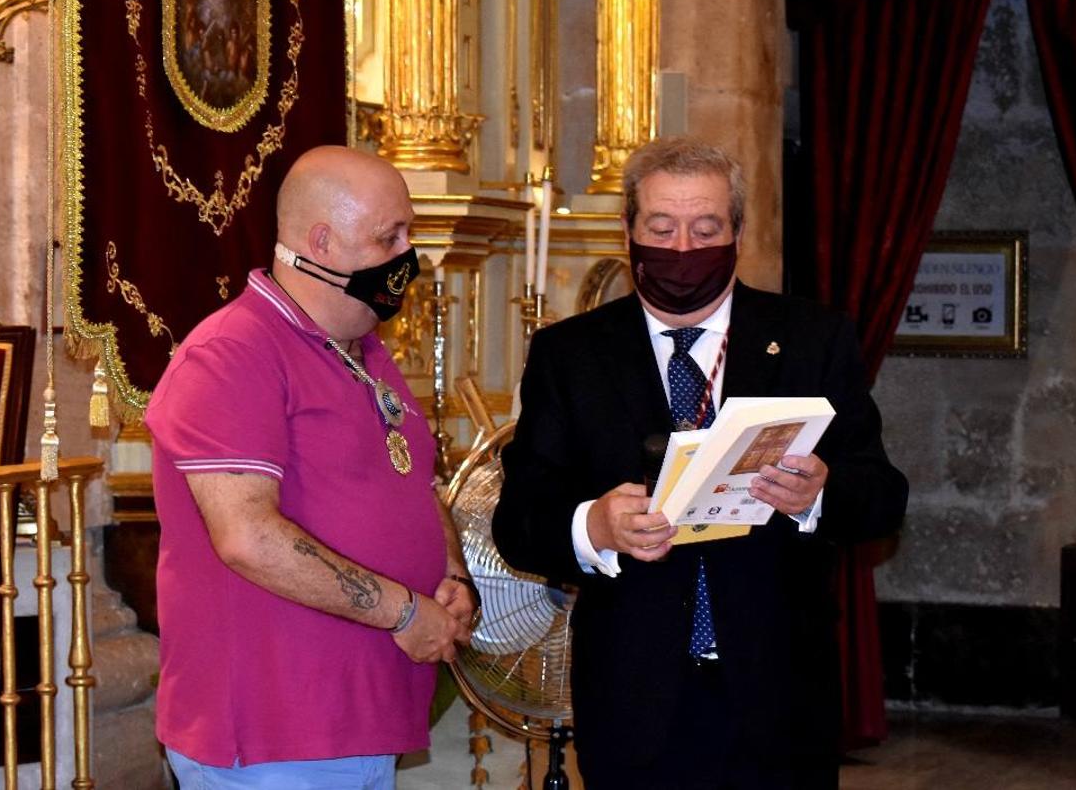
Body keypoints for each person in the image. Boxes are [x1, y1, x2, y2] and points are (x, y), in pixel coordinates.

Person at [493, 136, 908, 789]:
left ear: (739, 231)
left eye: (705, 228)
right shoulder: (571, 355)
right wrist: (594, 528)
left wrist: (820, 494)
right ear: (628, 229)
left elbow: (882, 495)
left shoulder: (811, 339)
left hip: (780, 698)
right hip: (634, 701)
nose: (682, 249)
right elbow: (518, 520)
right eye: (661, 227)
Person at [147, 145, 478, 789]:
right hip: (276, 732)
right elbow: (247, 536)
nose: (409, 256)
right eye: (391, 237)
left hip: (359, 719)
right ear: (322, 241)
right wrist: (405, 613)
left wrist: (451, 574)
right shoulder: (232, 353)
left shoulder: (362, 350)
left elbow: (413, 482)